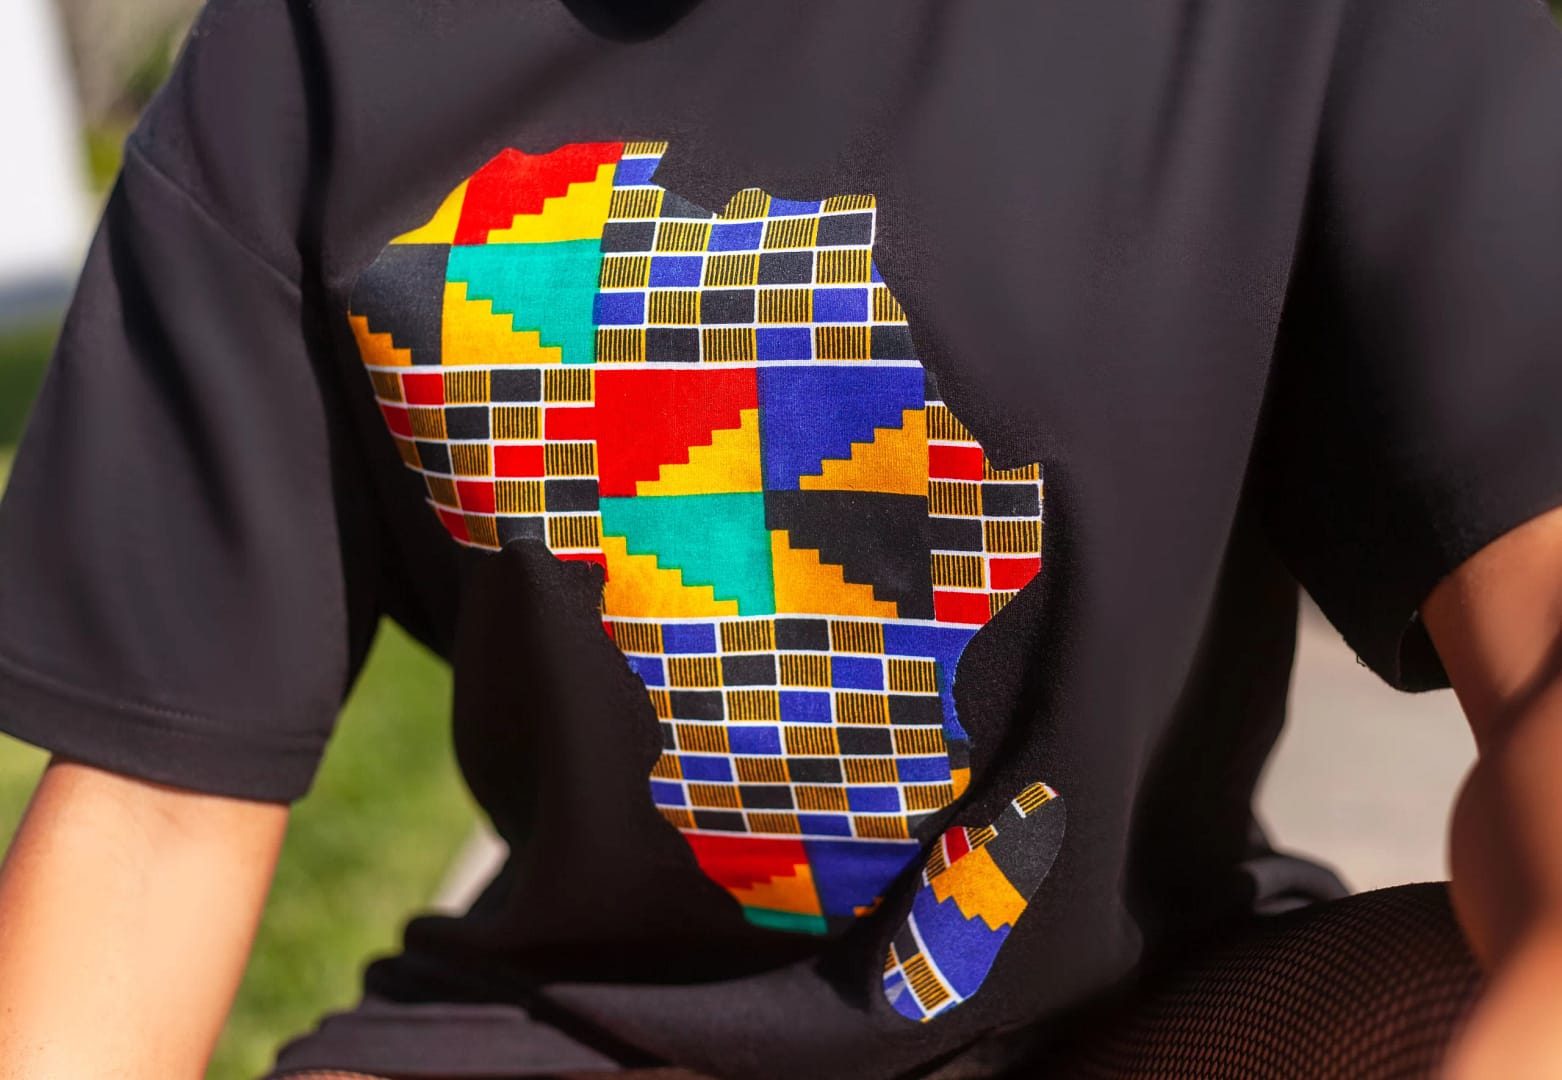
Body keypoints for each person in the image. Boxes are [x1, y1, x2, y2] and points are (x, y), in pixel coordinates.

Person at [1, 0, 1560, 1076]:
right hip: (595, 1037)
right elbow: (155, 813)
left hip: (1146, 1019)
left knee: (1441, 1001)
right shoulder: (308, 55)